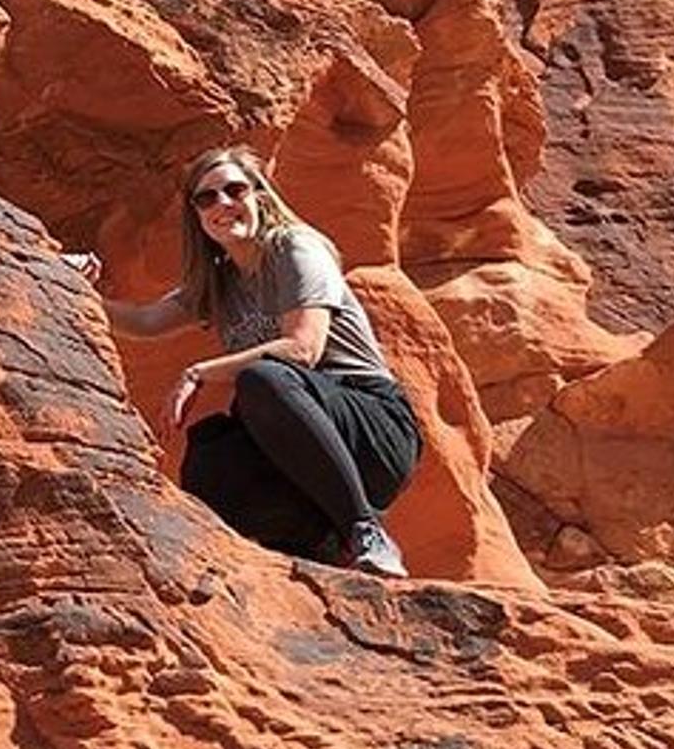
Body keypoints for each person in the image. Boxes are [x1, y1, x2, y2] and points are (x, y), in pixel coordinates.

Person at [69, 145, 422, 577]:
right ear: (197, 216)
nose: (222, 204)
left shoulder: (294, 248)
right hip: (302, 438)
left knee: (263, 381)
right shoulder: (219, 281)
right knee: (210, 456)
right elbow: (144, 321)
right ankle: (315, 550)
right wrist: (72, 286)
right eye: (206, 198)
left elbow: (304, 348)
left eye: (235, 190)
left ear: (260, 196)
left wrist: (198, 372)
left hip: (373, 426)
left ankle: (365, 530)